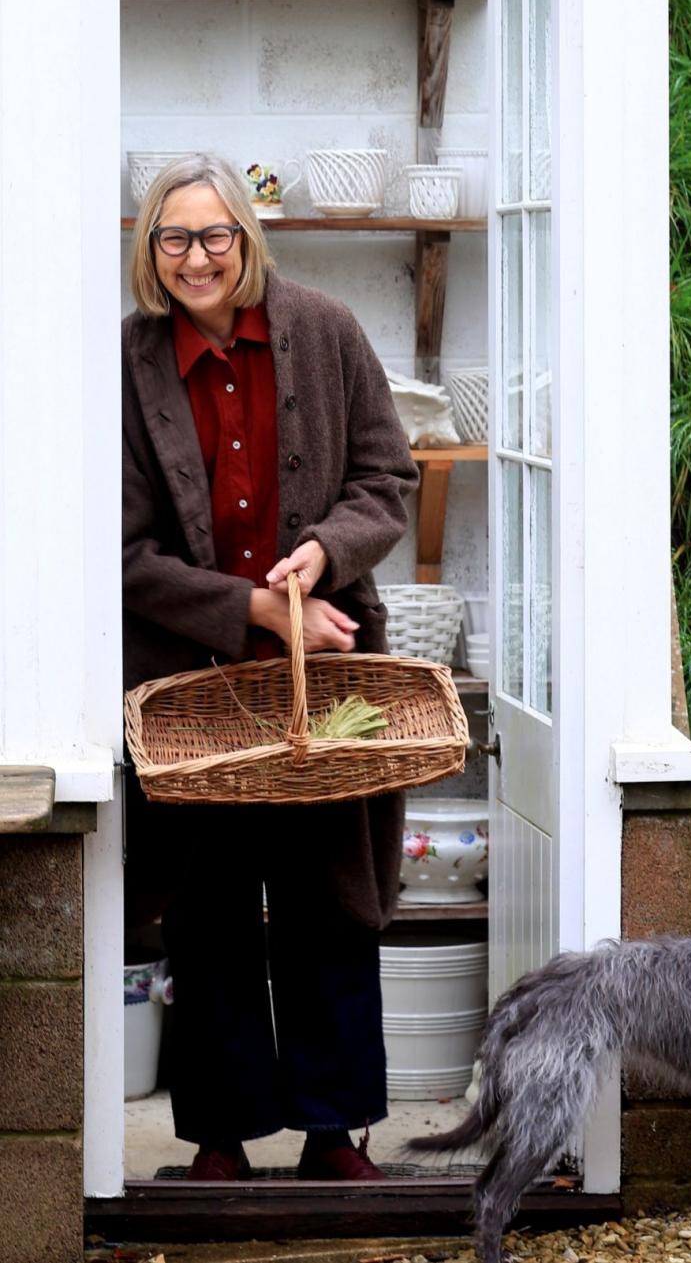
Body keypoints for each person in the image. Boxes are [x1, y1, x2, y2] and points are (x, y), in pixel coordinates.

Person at [122, 153, 419, 1181]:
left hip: (327, 673)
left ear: (248, 239)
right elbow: (121, 553)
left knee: (329, 894)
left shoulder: (327, 330)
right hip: (193, 684)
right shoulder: (130, 361)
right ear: (149, 251)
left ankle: (335, 1130)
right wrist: (249, 607)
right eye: (174, 238)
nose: (196, 257)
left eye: (215, 236)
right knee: (205, 907)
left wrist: (328, 554)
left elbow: (389, 475)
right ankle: (218, 1133)